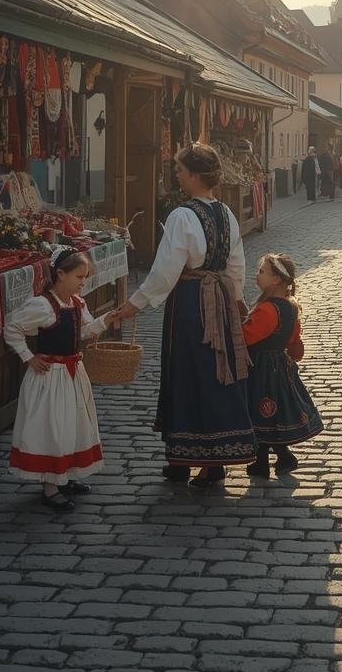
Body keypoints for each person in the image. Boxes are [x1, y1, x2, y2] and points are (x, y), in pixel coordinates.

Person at [107, 143, 256, 486]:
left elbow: (165, 271)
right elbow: (236, 264)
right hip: (217, 297)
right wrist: (235, 299)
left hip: (191, 302)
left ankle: (196, 459)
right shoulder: (227, 214)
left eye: (179, 171)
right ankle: (195, 458)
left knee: (188, 370)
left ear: (194, 175)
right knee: (218, 369)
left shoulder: (182, 215)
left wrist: (134, 304)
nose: (176, 176)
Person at [3, 246, 106, 512]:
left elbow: (84, 332)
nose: (83, 283)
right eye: (79, 277)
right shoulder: (42, 305)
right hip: (50, 377)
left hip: (73, 375)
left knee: (73, 424)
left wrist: (108, 320)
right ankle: (50, 487)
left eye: (85, 278)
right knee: (53, 427)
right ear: (60, 274)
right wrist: (28, 356)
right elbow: (12, 326)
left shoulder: (76, 303)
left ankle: (67, 476)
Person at [242, 253, 323, 478]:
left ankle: (262, 462)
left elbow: (248, 337)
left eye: (261, 272)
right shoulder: (290, 307)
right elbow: (294, 341)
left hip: (261, 368)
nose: (256, 275)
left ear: (276, 280)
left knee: (259, 411)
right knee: (273, 413)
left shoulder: (268, 310)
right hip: (281, 365)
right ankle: (282, 456)